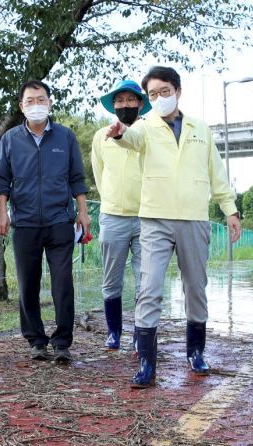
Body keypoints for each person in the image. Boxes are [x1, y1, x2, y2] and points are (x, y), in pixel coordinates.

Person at [105, 66, 241, 387]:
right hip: (156, 219)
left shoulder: (200, 129)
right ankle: (147, 363)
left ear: (177, 91)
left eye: (164, 92)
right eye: (152, 95)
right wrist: (121, 133)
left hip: (194, 218)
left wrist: (230, 210)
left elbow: (216, 174)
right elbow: (132, 139)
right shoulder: (144, 126)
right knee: (149, 288)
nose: (158, 99)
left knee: (195, 286)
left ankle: (195, 352)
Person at [0, 80, 90, 363]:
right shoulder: (10, 139)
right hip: (24, 223)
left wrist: (83, 212)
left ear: (49, 103)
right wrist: (2, 212)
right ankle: (36, 340)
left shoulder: (65, 137)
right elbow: (1, 181)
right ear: (22, 106)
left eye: (41, 99)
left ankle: (62, 342)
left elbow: (76, 179)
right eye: (30, 101)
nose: (36, 105)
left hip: (60, 220)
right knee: (28, 283)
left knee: (62, 283)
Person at [91, 80, 150, 351]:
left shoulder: (150, 131)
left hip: (147, 217)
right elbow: (99, 173)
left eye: (130, 100)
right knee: (111, 278)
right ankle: (114, 332)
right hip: (113, 216)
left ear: (140, 103)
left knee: (144, 279)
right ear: (113, 105)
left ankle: (141, 333)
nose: (125, 105)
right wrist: (111, 201)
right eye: (119, 101)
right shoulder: (102, 135)